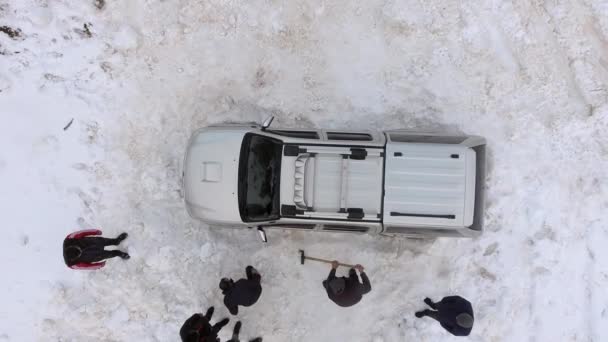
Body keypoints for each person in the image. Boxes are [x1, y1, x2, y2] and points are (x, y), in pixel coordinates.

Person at [62, 229, 129, 269]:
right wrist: (98, 265)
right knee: (106, 254)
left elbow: (82, 232)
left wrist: (95, 232)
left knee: (102, 241)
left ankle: (116, 241)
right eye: (77, 254)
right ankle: (118, 253)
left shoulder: (68, 240)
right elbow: (86, 267)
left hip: (89, 242)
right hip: (90, 256)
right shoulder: (72, 264)